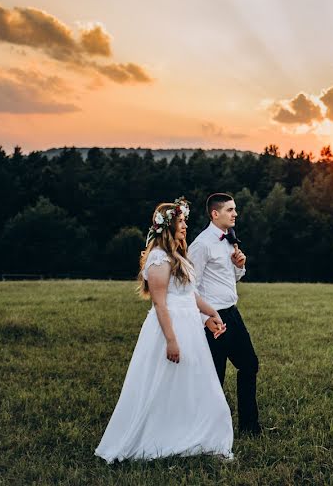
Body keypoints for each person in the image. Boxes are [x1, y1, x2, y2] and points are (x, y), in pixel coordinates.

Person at [96, 197, 234, 462]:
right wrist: (171, 341)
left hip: (190, 327)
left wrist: (210, 314)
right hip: (170, 329)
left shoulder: (178, 256)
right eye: (181, 222)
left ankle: (199, 436)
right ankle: (161, 439)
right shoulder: (159, 259)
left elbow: (189, 295)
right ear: (168, 226)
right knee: (163, 388)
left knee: (196, 387)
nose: (185, 226)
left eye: (184, 221)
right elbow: (161, 304)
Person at [188, 193, 261, 435]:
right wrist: (205, 319)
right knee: (214, 378)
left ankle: (250, 428)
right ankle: (209, 433)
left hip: (232, 314)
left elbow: (232, 277)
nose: (235, 214)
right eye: (230, 210)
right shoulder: (201, 245)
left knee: (249, 364)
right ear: (215, 214)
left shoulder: (230, 239)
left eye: (235, 209)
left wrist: (240, 265)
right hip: (213, 319)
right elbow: (189, 288)